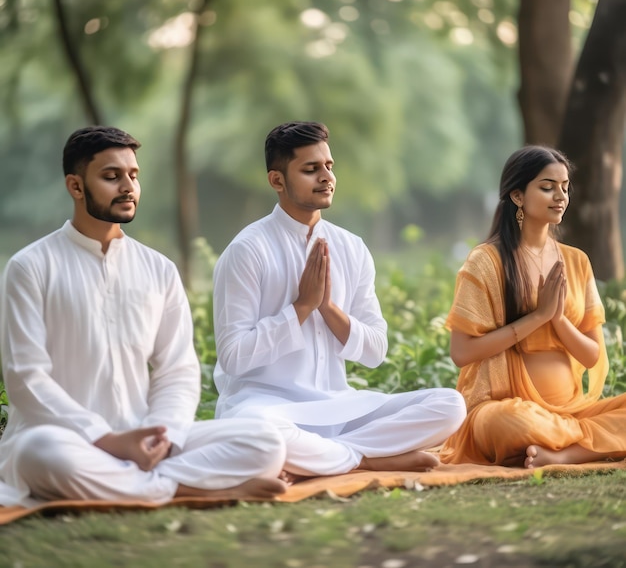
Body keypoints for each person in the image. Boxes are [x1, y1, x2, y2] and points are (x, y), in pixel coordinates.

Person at [0, 126, 287, 508]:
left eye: (133, 175)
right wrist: (105, 439)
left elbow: (177, 369)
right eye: (111, 176)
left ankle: (145, 483)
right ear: (75, 186)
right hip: (69, 440)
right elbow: (26, 376)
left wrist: (162, 436)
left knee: (264, 442)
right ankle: (196, 489)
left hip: (144, 438)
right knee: (38, 451)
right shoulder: (30, 267)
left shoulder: (159, 269)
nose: (127, 186)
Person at [212, 121, 466, 481]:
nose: (326, 177)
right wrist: (301, 308)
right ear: (277, 181)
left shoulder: (351, 247)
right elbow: (234, 357)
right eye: (311, 169)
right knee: (257, 432)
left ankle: (330, 457)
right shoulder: (247, 250)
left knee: (449, 405)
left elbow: (375, 350)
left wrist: (327, 309)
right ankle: (366, 459)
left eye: (329, 166)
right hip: (267, 408)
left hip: (339, 407)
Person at [439, 145, 626, 468]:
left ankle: (563, 453)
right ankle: (587, 440)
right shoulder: (486, 261)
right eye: (547, 187)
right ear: (517, 196)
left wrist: (558, 321)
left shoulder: (576, 261)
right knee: (506, 422)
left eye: (565, 187)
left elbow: (592, 355)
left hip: (571, 408)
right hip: (507, 409)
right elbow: (462, 353)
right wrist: (537, 317)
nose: (561, 196)